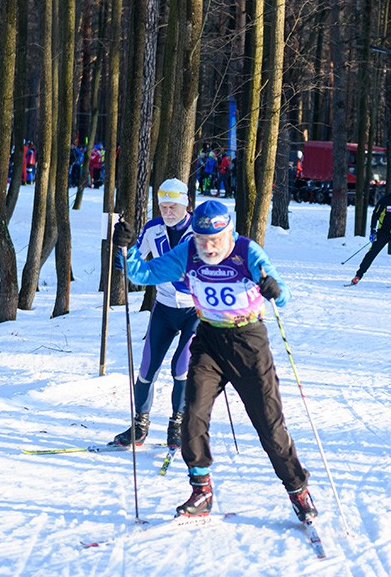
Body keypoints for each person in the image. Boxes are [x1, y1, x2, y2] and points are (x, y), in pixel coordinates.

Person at [112, 199, 318, 523]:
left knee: (268, 422)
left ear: (229, 233)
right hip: (209, 339)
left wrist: (274, 289)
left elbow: (284, 294)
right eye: (202, 240)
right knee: (192, 416)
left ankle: (297, 489)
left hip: (248, 341)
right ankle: (201, 490)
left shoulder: (247, 252)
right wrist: (125, 250)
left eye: (215, 241)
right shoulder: (189, 253)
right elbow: (144, 273)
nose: (208, 247)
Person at [110, 178, 199, 452]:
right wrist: (122, 247)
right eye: (163, 206)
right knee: (148, 367)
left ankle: (178, 424)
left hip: (194, 309)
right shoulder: (153, 229)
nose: (168, 211)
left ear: (186, 205)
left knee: (181, 367)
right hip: (164, 306)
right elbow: (131, 264)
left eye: (174, 206)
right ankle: (140, 424)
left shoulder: (198, 230)